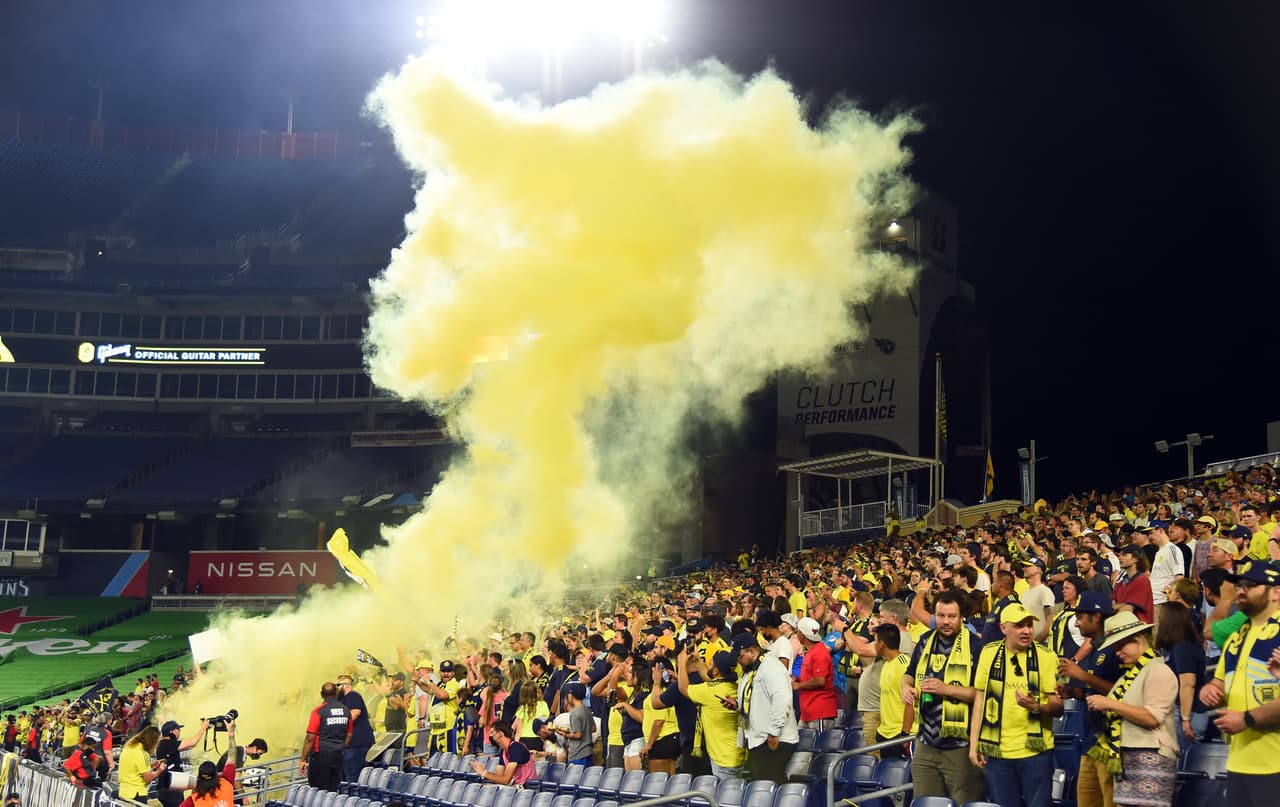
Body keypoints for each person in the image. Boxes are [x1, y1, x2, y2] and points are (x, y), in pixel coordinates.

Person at [1198, 559, 1280, 807]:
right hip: (1238, 761)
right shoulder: (1238, 634)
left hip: (1274, 762)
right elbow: (1220, 682)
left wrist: (1246, 719)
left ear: (1276, 591)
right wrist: (1212, 690)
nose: (1241, 591)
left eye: (1251, 585)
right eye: (1240, 585)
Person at [970, 602, 1064, 807]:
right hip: (997, 752)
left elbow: (1058, 707)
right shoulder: (988, 653)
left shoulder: (1047, 656)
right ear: (1004, 628)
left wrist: (1036, 706)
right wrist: (974, 742)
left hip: (1036, 754)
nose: (1027, 631)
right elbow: (980, 698)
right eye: (1020, 626)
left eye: (1030, 625)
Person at [1085, 613, 1178, 807]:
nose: (1117, 652)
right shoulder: (1129, 675)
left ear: (1138, 639)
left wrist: (1109, 704)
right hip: (1126, 758)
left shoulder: (1158, 671)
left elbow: (1152, 717)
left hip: (1152, 756)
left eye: (1121, 646)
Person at [901, 590, 985, 806]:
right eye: (941, 616)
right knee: (926, 802)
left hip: (961, 747)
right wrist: (905, 686)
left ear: (961, 617)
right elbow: (909, 673)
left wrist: (946, 689)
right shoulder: (925, 640)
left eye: (951, 616)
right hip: (925, 744)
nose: (946, 622)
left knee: (965, 802)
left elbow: (982, 695)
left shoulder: (975, 647)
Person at [727, 630, 799, 783]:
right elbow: (757, 701)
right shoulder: (751, 671)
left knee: (767, 787)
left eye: (740, 657)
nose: (739, 661)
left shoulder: (771, 667)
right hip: (758, 738)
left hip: (775, 739)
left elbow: (782, 699)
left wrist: (773, 732)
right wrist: (737, 705)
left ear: (752, 652)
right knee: (762, 786)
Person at [679, 645, 747, 780]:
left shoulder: (709, 691)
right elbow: (712, 679)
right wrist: (698, 660)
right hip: (739, 755)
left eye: (710, 663)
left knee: (726, 799)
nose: (707, 664)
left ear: (716, 671)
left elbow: (683, 688)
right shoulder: (736, 686)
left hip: (724, 759)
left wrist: (681, 662)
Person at [1153, 602, 1205, 754]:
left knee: (1185, 761)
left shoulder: (1183, 647)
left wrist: (1185, 718)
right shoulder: (1175, 646)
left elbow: (1188, 684)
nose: (1158, 621)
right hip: (1180, 709)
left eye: (1161, 617)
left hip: (1190, 712)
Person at [300, 682, 352, 792]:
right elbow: (349, 735)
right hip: (337, 756)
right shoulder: (346, 711)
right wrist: (340, 748)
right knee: (332, 791)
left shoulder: (319, 711)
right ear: (336, 693)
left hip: (320, 756)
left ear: (321, 694)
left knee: (319, 792)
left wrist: (302, 760)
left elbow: (310, 738)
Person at [872, 624, 914, 758]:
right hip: (885, 735)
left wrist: (905, 735)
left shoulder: (905, 664)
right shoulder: (886, 665)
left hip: (900, 736)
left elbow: (911, 702)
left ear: (881, 644)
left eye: (875, 641)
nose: (874, 644)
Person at [794, 617, 838, 730]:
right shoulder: (812, 651)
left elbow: (820, 680)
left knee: (819, 746)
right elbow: (811, 677)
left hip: (820, 711)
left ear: (802, 635)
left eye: (797, 631)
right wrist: (797, 679)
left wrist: (799, 685)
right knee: (802, 746)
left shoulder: (819, 652)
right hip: (808, 712)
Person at [156, 719, 211, 807]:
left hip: (169, 787)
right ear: (172, 731)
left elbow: (191, 746)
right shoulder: (168, 744)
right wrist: (203, 728)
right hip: (170, 789)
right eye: (178, 729)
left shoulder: (165, 745)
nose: (180, 732)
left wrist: (204, 729)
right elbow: (192, 743)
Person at [470, 721, 536, 787]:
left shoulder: (516, 748)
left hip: (526, 788)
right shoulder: (503, 752)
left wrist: (484, 773)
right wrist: (483, 772)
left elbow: (506, 779)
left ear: (500, 733)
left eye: (492, 732)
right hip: (515, 788)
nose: (490, 735)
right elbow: (499, 777)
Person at [336, 674, 374, 783]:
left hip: (356, 744)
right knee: (346, 777)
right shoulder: (342, 699)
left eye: (338, 685)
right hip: (350, 745)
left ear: (345, 686)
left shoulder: (353, 696)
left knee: (353, 777)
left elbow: (355, 713)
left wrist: (337, 724)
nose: (336, 688)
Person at [117, 726, 165, 805]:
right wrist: (160, 770)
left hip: (124, 792)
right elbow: (148, 778)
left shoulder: (129, 747)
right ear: (153, 741)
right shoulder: (142, 753)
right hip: (137, 794)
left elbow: (133, 766)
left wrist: (149, 765)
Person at [553, 682, 594, 766]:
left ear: (571, 696)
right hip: (588, 751)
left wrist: (565, 734)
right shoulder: (587, 710)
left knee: (575, 778)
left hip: (578, 754)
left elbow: (578, 735)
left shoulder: (574, 713)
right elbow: (593, 728)